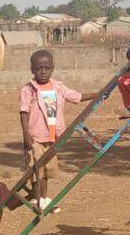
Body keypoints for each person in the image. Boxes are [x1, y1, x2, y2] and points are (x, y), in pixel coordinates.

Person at [20, 50, 98, 212]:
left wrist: (97, 95)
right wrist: (26, 135)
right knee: (36, 171)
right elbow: (24, 112)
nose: (43, 71)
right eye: (39, 68)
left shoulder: (58, 87)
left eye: (47, 68)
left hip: (52, 137)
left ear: (52, 68)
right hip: (35, 137)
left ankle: (43, 200)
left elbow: (75, 96)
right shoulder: (29, 89)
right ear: (32, 69)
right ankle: (37, 200)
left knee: (47, 171)